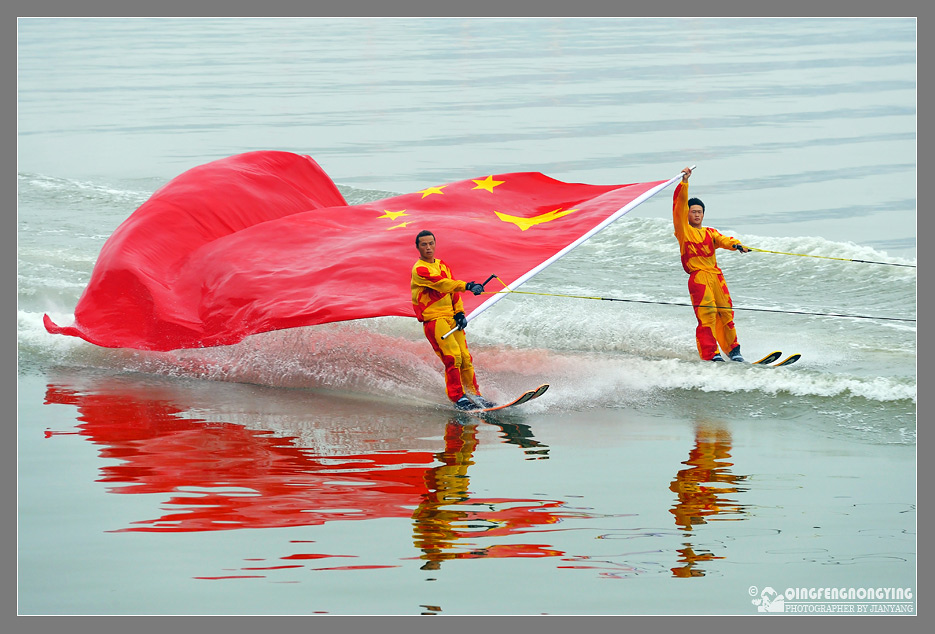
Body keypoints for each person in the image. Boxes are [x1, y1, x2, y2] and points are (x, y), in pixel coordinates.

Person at [672, 167, 750, 362]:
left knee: (725, 313)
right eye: (693, 212)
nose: (697, 215)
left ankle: (733, 351)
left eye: (699, 212)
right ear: (687, 215)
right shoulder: (683, 231)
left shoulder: (709, 232)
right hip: (698, 277)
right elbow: (679, 205)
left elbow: (723, 240)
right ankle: (711, 354)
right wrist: (684, 183)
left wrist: (737, 245)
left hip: (716, 277)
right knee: (707, 315)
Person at [411, 230, 492, 409]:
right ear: (417, 247)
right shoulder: (419, 270)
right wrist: (468, 286)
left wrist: (460, 313)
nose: (428, 247)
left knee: (465, 357)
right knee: (453, 357)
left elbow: (452, 291)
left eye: (431, 243)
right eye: (423, 244)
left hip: (450, 318)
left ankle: (473, 394)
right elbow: (442, 284)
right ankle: (458, 398)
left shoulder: (443, 265)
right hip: (434, 319)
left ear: (435, 243)